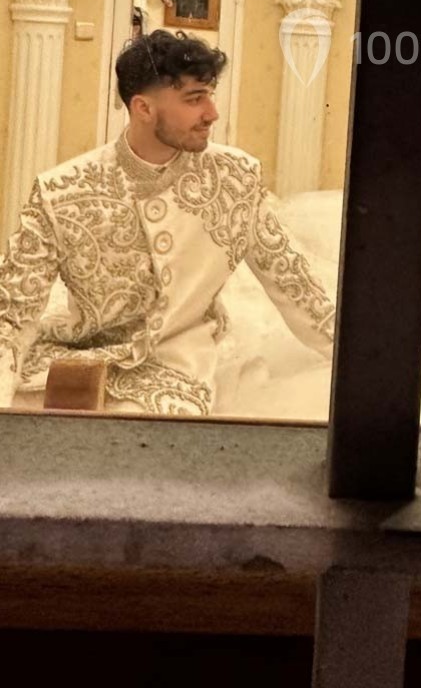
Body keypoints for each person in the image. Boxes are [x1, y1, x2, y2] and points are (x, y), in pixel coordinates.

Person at [0, 30, 334, 416]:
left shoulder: (236, 179)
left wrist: (369, 361)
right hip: (70, 358)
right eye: (195, 99)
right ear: (143, 108)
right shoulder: (60, 191)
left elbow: (295, 287)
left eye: (209, 95)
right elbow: (11, 314)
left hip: (177, 366)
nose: (212, 113)